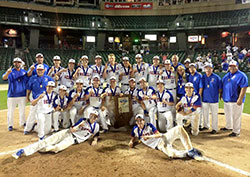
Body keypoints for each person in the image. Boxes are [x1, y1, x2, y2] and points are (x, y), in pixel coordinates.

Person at [12, 110, 100, 159]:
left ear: (96, 118)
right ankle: (24, 151)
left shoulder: (96, 126)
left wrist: (95, 140)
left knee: (56, 148)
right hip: (67, 133)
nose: (93, 118)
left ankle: (39, 148)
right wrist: (78, 126)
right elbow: (71, 130)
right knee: (47, 141)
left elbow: (96, 134)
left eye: (95, 117)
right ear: (90, 115)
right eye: (92, 116)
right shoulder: (83, 120)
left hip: (72, 140)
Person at [128, 114, 203, 160]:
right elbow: (133, 136)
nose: (139, 122)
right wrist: (131, 141)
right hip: (160, 145)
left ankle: (190, 150)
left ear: (144, 121)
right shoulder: (135, 129)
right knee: (172, 155)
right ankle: (186, 154)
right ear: (136, 122)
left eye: (141, 120)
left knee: (179, 128)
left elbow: (158, 135)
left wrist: (149, 136)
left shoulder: (149, 126)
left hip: (164, 137)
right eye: (138, 121)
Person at [24, 64, 54, 135]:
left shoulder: (47, 78)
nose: (40, 71)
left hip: (44, 100)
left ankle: (42, 128)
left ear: (44, 70)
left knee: (45, 114)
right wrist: (27, 97)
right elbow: (28, 88)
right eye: (38, 70)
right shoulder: (32, 78)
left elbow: (53, 85)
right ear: (36, 70)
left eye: (41, 70)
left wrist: (55, 79)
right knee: (32, 114)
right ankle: (27, 128)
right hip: (36, 98)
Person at [221, 60, 248, 137]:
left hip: (236, 100)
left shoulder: (241, 75)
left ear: (237, 66)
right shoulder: (226, 76)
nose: (232, 68)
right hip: (227, 99)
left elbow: (244, 88)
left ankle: (236, 131)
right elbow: (224, 86)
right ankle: (228, 126)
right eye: (230, 66)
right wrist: (222, 95)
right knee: (228, 114)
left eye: (234, 66)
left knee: (236, 116)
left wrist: (240, 99)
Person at [2, 57, 29, 131]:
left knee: (22, 110)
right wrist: (7, 73)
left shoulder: (24, 72)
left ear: (21, 63)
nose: (17, 63)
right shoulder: (10, 71)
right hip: (12, 95)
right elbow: (4, 78)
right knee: (10, 111)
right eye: (15, 62)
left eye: (18, 62)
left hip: (22, 95)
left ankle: (22, 122)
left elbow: (27, 80)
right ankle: (10, 125)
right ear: (14, 63)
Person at [200, 63, 222, 134]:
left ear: (212, 69)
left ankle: (214, 128)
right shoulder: (203, 77)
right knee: (205, 113)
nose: (208, 70)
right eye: (206, 69)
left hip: (214, 99)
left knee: (214, 114)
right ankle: (206, 126)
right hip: (205, 99)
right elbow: (201, 87)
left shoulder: (216, 77)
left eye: (209, 69)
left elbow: (220, 88)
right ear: (205, 69)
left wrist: (218, 95)